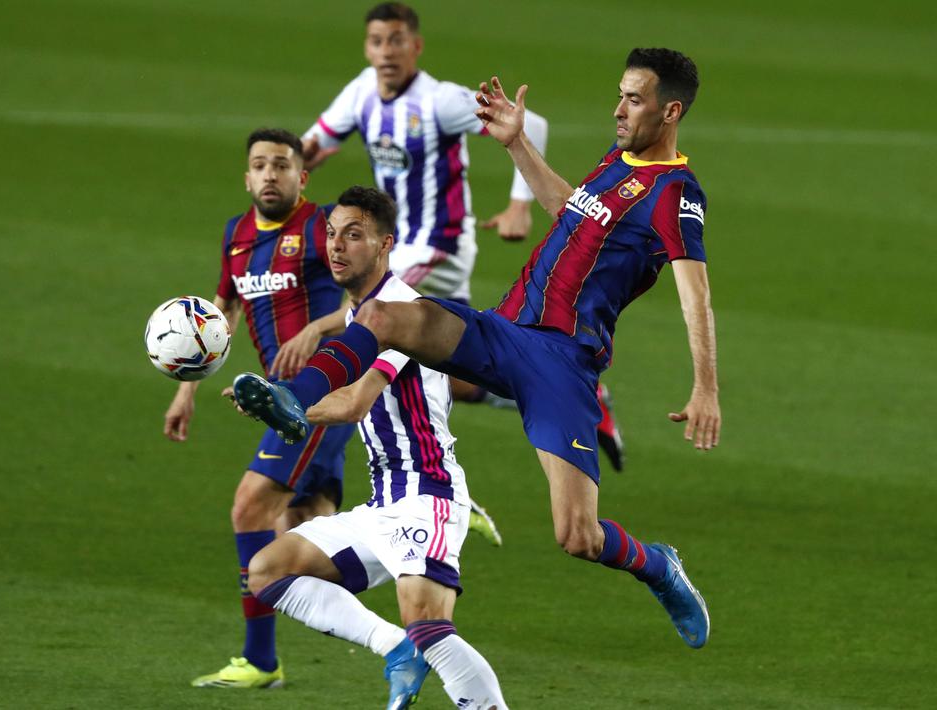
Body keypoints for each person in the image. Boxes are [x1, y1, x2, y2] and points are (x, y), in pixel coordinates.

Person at [234, 48, 718, 649]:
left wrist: (705, 388)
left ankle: (658, 565)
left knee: (578, 536)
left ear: (670, 111)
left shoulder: (676, 192)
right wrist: (517, 144)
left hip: (562, 363)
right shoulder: (619, 158)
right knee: (383, 315)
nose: (618, 109)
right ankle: (291, 395)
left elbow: (695, 292)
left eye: (634, 100)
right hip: (505, 330)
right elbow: (570, 214)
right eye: (619, 95)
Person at [303, 1, 626, 472]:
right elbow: (316, 143)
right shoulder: (361, 93)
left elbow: (531, 123)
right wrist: (295, 168)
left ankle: (320, 461)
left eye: (396, 41)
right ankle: (580, 394)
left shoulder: (438, 101)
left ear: (416, 46)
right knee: (451, 369)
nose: (387, 51)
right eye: (377, 42)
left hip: (438, 247)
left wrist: (519, 204)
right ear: (367, 48)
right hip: (400, 244)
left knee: (364, 324)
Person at [243, 185, 508, 710]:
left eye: (353, 235)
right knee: (268, 569)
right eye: (331, 233)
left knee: (429, 625)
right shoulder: (358, 314)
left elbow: (352, 403)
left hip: (427, 494)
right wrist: (279, 399)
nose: (336, 245)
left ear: (385, 244)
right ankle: (395, 649)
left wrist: (283, 405)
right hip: (383, 502)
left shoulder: (401, 314)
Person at [163, 127, 357, 689]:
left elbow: (369, 300)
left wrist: (317, 329)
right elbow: (222, 311)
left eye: (281, 164)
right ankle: (423, 525)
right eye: (260, 165)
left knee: (250, 508)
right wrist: (187, 386)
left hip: (319, 392)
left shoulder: (324, 227)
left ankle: (261, 661)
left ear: (303, 176)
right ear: (247, 178)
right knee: (306, 529)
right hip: (280, 395)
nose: (270, 174)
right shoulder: (238, 234)